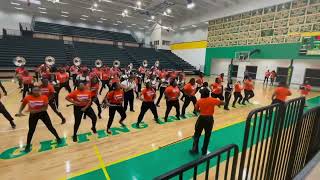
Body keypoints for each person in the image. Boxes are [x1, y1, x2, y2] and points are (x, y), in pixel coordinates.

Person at [16, 86, 61, 152]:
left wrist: (34, 111)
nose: (36, 92)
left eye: (37, 90)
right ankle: (28, 145)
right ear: (32, 91)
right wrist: (19, 111)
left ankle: (58, 138)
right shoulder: (28, 97)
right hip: (33, 116)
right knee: (31, 130)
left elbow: (45, 108)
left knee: (50, 127)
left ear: (40, 91)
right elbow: (23, 104)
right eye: (35, 90)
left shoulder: (44, 97)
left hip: (43, 114)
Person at [189, 88, 224, 155]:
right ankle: (204, 151)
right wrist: (218, 104)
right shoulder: (213, 100)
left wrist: (201, 111)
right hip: (210, 119)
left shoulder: (199, 101)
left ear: (202, 94)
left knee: (197, 134)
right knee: (207, 135)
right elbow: (223, 103)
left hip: (201, 118)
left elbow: (196, 110)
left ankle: (195, 149)